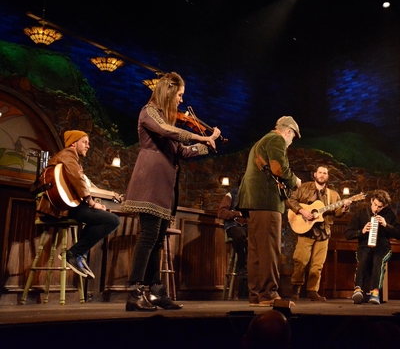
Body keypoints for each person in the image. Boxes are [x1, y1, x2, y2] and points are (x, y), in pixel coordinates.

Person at [121, 72, 220, 311]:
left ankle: (155, 291)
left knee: (156, 240)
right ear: (168, 91)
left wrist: (205, 145)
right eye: (179, 95)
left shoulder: (167, 122)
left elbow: (182, 152)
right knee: (148, 237)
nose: (180, 100)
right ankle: (134, 292)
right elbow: (167, 132)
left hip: (164, 187)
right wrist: (200, 135)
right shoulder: (149, 113)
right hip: (150, 183)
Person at [35, 130, 121, 279]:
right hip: (63, 209)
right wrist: (92, 202)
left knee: (100, 219)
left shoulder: (69, 157)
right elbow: (76, 178)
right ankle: (74, 254)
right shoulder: (68, 154)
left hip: (67, 207)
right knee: (112, 220)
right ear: (74, 143)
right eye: (84, 142)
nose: (88, 146)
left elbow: (80, 181)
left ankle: (79, 255)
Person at [235, 116, 302, 307]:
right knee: (269, 250)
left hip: (254, 201)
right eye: (292, 138)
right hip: (266, 201)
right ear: (288, 132)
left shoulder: (261, 141)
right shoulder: (276, 139)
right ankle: (269, 294)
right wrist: (294, 180)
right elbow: (278, 168)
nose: (290, 143)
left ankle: (256, 296)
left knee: (257, 250)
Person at [286, 165, 351, 302]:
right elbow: (290, 200)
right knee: (300, 261)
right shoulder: (304, 188)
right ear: (315, 174)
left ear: (327, 176)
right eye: (320, 172)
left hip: (323, 232)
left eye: (325, 173)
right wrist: (302, 211)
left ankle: (312, 291)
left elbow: (337, 213)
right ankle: (295, 290)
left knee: (318, 265)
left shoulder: (333, 195)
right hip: (306, 230)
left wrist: (344, 208)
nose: (322, 175)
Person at [344, 189, 400, 304]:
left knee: (378, 260)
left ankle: (375, 292)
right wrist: (362, 231)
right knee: (364, 258)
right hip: (364, 246)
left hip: (382, 246)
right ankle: (358, 290)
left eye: (380, 207)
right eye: (375, 205)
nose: (376, 209)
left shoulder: (389, 214)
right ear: (371, 201)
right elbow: (348, 234)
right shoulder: (361, 213)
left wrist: (386, 225)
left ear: (384, 206)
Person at [218, 178, 248, 275]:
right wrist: (237, 213)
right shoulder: (231, 195)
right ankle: (242, 265)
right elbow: (221, 213)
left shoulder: (252, 197)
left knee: (258, 237)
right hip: (233, 225)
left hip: (247, 226)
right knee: (240, 235)